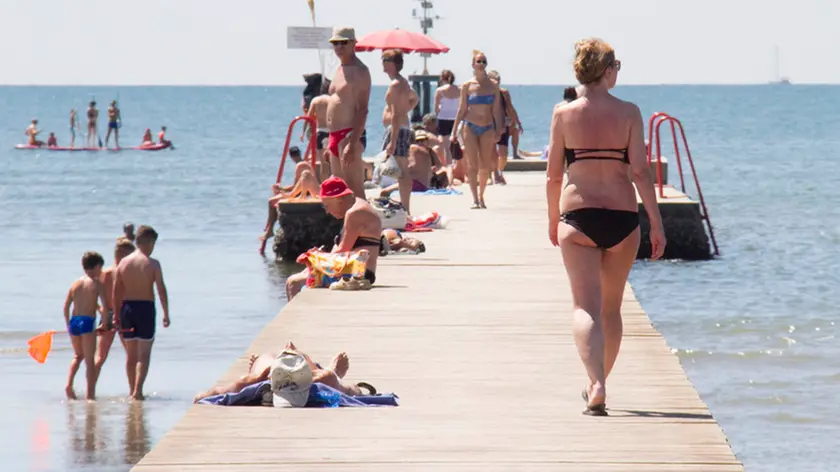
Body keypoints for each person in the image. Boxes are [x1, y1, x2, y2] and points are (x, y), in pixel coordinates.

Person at [546, 38, 667, 416]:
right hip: (621, 217)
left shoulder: (563, 113)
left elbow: (552, 176)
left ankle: (595, 382)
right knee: (611, 308)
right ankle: (599, 384)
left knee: (585, 306)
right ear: (608, 69)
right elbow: (641, 172)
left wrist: (552, 220)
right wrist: (656, 222)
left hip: (578, 215)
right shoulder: (629, 112)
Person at [285, 176, 382, 300]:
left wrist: (317, 257)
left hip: (357, 273)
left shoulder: (355, 213)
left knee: (293, 282)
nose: (327, 211)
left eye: (326, 206)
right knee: (303, 273)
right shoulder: (357, 205)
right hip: (350, 268)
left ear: (338, 199)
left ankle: (297, 319)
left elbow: (343, 250)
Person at [192, 341, 371, 403]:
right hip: (283, 369)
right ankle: (297, 358)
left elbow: (202, 396)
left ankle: (266, 364)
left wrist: (256, 376)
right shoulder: (324, 377)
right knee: (331, 378)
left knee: (253, 374)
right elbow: (356, 391)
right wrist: (334, 372)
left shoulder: (256, 379)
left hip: (268, 367)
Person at [113, 225, 170, 400]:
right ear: (149, 242)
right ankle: (138, 390)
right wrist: (166, 313)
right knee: (144, 354)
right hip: (145, 308)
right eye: (153, 243)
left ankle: (131, 390)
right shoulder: (152, 263)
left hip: (127, 309)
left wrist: (116, 315)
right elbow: (161, 289)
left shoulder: (123, 263)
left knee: (131, 355)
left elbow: (116, 291)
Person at [451, 50, 504, 209]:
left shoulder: (493, 86)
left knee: (485, 165)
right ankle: (474, 199)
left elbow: (496, 110)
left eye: (483, 62)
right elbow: (461, 109)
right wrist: (454, 131)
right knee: (472, 164)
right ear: (473, 65)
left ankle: (481, 196)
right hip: (470, 126)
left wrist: (498, 129)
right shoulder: (467, 86)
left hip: (487, 127)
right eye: (478, 61)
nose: (481, 64)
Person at [325, 27, 371, 200]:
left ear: (353, 44)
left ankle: (367, 226)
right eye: (335, 43)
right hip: (334, 136)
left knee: (355, 188)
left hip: (349, 135)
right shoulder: (339, 69)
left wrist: (352, 143)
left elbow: (362, 109)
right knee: (340, 190)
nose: (339, 47)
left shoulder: (360, 71)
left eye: (343, 42)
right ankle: (348, 226)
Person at [63, 251, 109, 400]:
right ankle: (90, 396)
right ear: (96, 266)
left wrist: (68, 325)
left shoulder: (76, 284)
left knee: (78, 355)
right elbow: (106, 306)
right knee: (90, 361)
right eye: (100, 268)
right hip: (87, 322)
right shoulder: (97, 284)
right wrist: (105, 324)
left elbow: (66, 307)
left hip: (74, 322)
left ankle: (69, 384)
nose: (101, 272)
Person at [258, 147, 321, 252]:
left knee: (271, 202)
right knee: (274, 200)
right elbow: (297, 184)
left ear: (291, 156)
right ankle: (270, 229)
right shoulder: (303, 164)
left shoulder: (300, 165)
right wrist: (282, 189)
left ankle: (270, 230)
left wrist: (284, 191)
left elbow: (296, 187)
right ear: (299, 153)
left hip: (301, 192)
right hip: (302, 191)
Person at [380, 49, 419, 214]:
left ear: (392, 63)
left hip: (398, 130)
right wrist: (407, 109)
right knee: (401, 171)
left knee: (402, 171)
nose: (382, 62)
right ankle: (405, 208)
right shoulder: (402, 82)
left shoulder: (395, 84)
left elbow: (395, 114)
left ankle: (406, 209)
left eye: (385, 59)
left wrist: (393, 141)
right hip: (401, 128)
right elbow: (414, 98)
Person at [96, 237, 136, 381]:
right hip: (122, 313)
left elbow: (91, 294)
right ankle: (134, 392)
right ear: (123, 254)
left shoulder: (104, 273)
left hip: (108, 313)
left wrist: (100, 309)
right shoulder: (125, 272)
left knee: (100, 356)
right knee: (132, 356)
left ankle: (90, 391)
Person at [380, 130, 445, 196]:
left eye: (422, 140)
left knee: (384, 192)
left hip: (415, 183)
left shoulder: (415, 149)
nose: (420, 142)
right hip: (424, 184)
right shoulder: (424, 151)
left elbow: (412, 166)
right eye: (418, 140)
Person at [487, 70, 522, 185]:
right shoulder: (485, 93)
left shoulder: (504, 93)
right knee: (491, 150)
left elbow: (510, 108)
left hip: (503, 124)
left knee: (503, 153)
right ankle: (494, 175)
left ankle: (499, 171)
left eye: (498, 81)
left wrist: (517, 122)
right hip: (490, 124)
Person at [304, 79, 332, 180]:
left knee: (323, 164)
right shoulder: (332, 100)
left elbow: (308, 117)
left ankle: (324, 186)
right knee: (333, 162)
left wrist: (303, 133)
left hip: (320, 132)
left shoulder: (315, 101)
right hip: (330, 133)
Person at [434, 69, 460, 166]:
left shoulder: (439, 90)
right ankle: (456, 167)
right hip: (456, 119)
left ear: (442, 78)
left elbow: (436, 108)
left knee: (446, 147)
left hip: (443, 119)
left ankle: (448, 168)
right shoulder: (459, 90)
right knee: (457, 145)